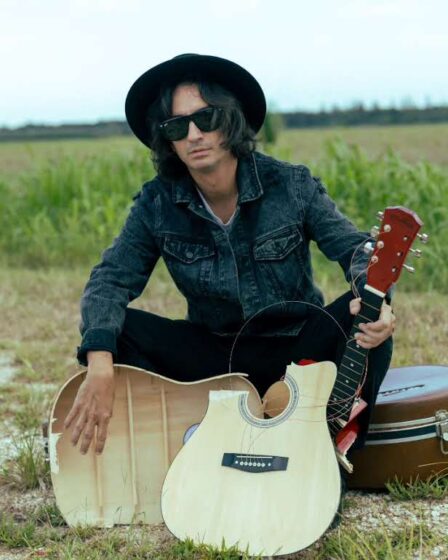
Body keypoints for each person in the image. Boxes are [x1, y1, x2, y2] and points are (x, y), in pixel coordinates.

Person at [64, 53, 395, 456]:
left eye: (205, 118)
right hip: (215, 358)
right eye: (177, 126)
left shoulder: (291, 185)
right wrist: (100, 362)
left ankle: (329, 450)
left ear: (230, 120)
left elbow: (355, 248)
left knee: (366, 314)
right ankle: (186, 439)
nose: (193, 135)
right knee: (116, 331)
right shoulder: (157, 203)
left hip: (297, 347)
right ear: (168, 140)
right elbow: (111, 278)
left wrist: (376, 299)